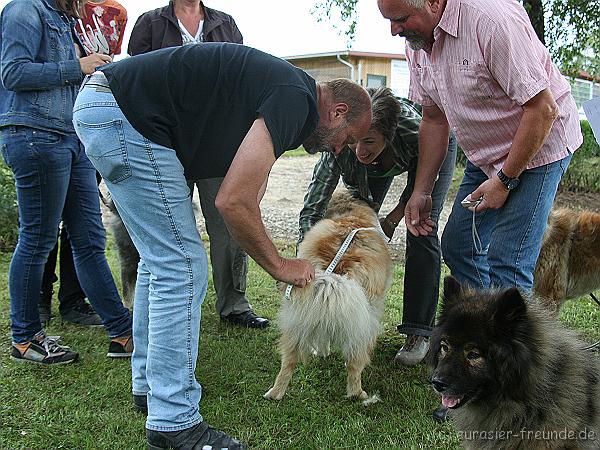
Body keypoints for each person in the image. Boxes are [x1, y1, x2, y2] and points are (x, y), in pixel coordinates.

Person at [73, 43, 371, 449]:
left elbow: (249, 188)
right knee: (181, 264)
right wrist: (281, 266)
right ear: (337, 112)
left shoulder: (286, 95)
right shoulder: (296, 97)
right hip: (124, 115)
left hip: (107, 107)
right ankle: (173, 422)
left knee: (159, 262)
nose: (340, 150)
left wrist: (258, 229)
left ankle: (149, 387)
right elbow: (232, 201)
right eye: (346, 139)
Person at [377, 0, 583, 421]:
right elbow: (434, 118)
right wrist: (421, 191)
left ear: (434, 2)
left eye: (400, 19)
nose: (395, 31)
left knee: (510, 264)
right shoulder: (418, 42)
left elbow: (542, 109)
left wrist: (506, 181)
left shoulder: (490, 21)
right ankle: (474, 359)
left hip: (540, 146)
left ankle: (514, 386)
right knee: (459, 245)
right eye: (390, 20)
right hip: (487, 154)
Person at [0, 0, 133, 365]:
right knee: (38, 239)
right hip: (35, 135)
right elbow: (13, 73)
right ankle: (25, 338)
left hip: (71, 139)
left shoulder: (67, 17)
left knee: (89, 238)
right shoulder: (24, 10)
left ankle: (122, 332)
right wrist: (77, 66)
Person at [126, 1, 268, 328]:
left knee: (229, 226)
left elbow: (240, 77)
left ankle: (234, 305)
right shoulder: (150, 23)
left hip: (216, 144)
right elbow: (138, 80)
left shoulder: (225, 24)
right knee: (166, 230)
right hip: (165, 142)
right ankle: (165, 305)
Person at [299, 86, 456, 366]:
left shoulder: (411, 132)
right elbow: (315, 203)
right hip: (380, 159)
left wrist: (394, 218)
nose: (359, 150)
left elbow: (418, 191)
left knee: (420, 228)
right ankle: (342, 319)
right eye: (354, 141)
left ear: (387, 136)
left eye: (368, 141)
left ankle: (419, 332)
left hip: (431, 149)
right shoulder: (342, 140)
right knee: (354, 229)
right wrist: (303, 255)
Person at [38, 0, 128, 327]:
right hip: (46, 129)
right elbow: (15, 71)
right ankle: (39, 302)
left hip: (83, 131)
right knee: (44, 226)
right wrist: (80, 66)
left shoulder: (112, 13)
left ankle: (74, 300)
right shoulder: (37, 11)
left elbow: (104, 66)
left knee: (82, 227)